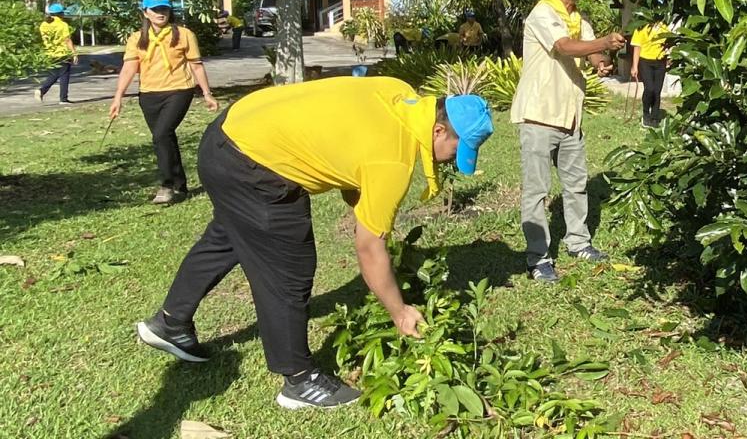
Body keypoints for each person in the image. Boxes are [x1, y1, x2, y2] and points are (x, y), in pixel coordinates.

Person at [134, 78, 494, 410]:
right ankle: (299, 380)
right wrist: (400, 312)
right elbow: (368, 247)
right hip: (253, 161)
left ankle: (170, 323)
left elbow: (351, 151)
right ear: (438, 129)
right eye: (457, 148)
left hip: (230, 132)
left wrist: (372, 213)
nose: (452, 159)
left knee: (231, 233)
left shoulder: (400, 93)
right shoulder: (393, 159)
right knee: (289, 267)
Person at [510, 0, 626, 283]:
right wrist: (602, 42)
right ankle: (539, 258)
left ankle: (578, 242)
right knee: (537, 191)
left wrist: (603, 60)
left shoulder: (577, 18)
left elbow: (588, 50)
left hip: (569, 116)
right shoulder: (542, 14)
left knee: (576, 185)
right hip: (539, 115)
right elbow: (564, 46)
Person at [109, 0, 219, 205]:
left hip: (179, 90)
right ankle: (180, 185)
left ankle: (167, 185)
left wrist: (207, 94)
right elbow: (130, 67)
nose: (161, 13)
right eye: (156, 10)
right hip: (149, 94)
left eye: (164, 9)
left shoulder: (185, 34)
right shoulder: (136, 38)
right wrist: (118, 97)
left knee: (161, 134)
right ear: (146, 13)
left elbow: (196, 65)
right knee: (164, 139)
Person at [629, 19, 671, 128]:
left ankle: (655, 117)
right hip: (645, 61)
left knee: (657, 90)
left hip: (660, 62)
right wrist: (634, 66)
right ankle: (646, 114)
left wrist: (669, 58)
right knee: (650, 88)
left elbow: (668, 44)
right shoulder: (641, 27)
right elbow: (637, 48)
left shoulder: (664, 26)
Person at [35, 3, 76, 105]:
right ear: (60, 14)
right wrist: (74, 53)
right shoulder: (62, 25)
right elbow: (67, 40)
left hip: (50, 52)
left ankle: (42, 91)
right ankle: (63, 98)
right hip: (62, 53)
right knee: (64, 75)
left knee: (54, 74)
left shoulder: (44, 24)